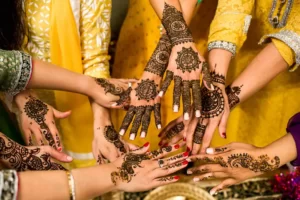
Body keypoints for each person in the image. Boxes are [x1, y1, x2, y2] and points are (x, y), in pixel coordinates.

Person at [11, 0, 113, 168]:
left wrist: (103, 122)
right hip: (22, 109)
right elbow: (5, 56)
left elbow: (95, 61)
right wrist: (23, 97)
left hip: (79, 107)